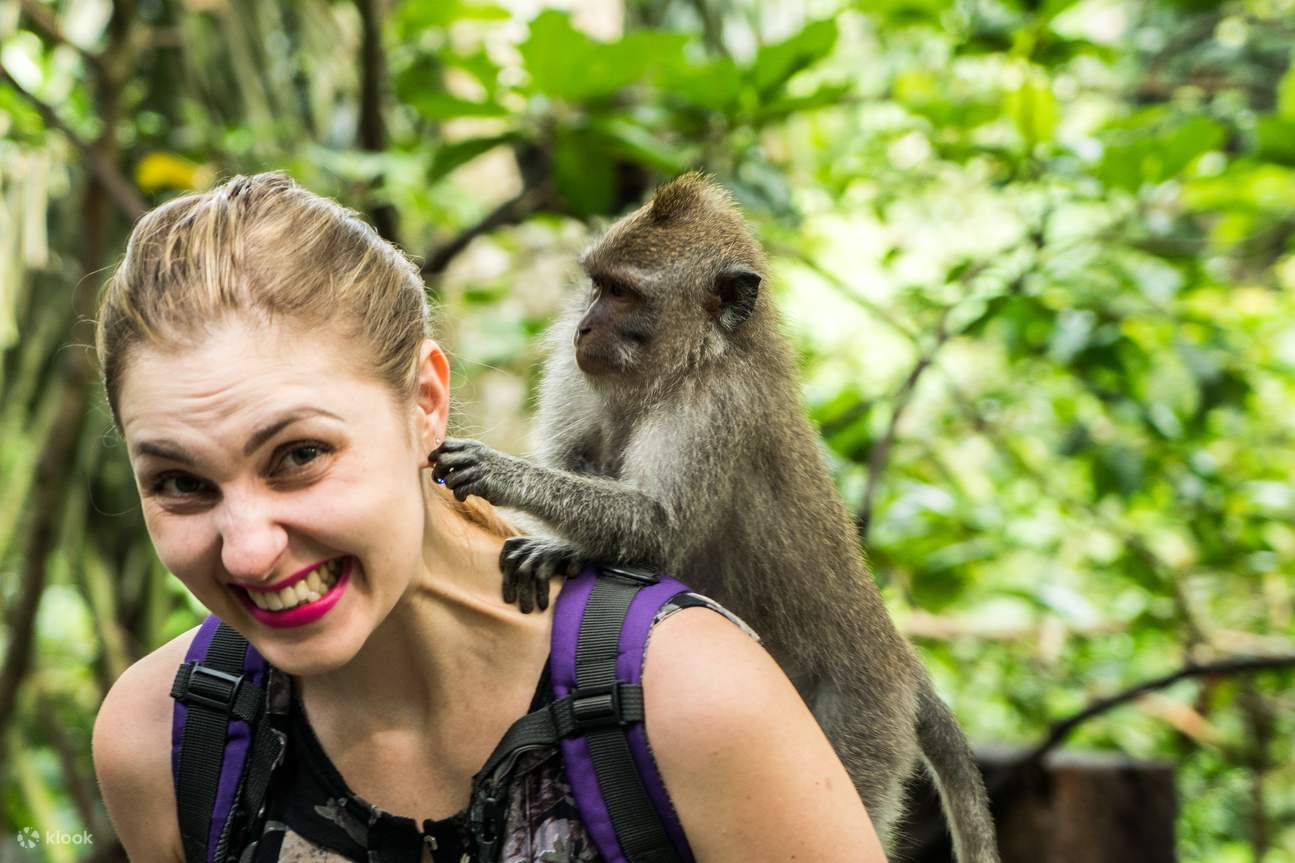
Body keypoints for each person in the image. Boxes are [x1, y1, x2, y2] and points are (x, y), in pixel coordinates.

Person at [89, 172, 886, 862]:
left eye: (299, 454)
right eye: (180, 482)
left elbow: (655, 521)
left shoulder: (690, 697)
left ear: (425, 404)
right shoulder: (166, 736)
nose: (249, 552)